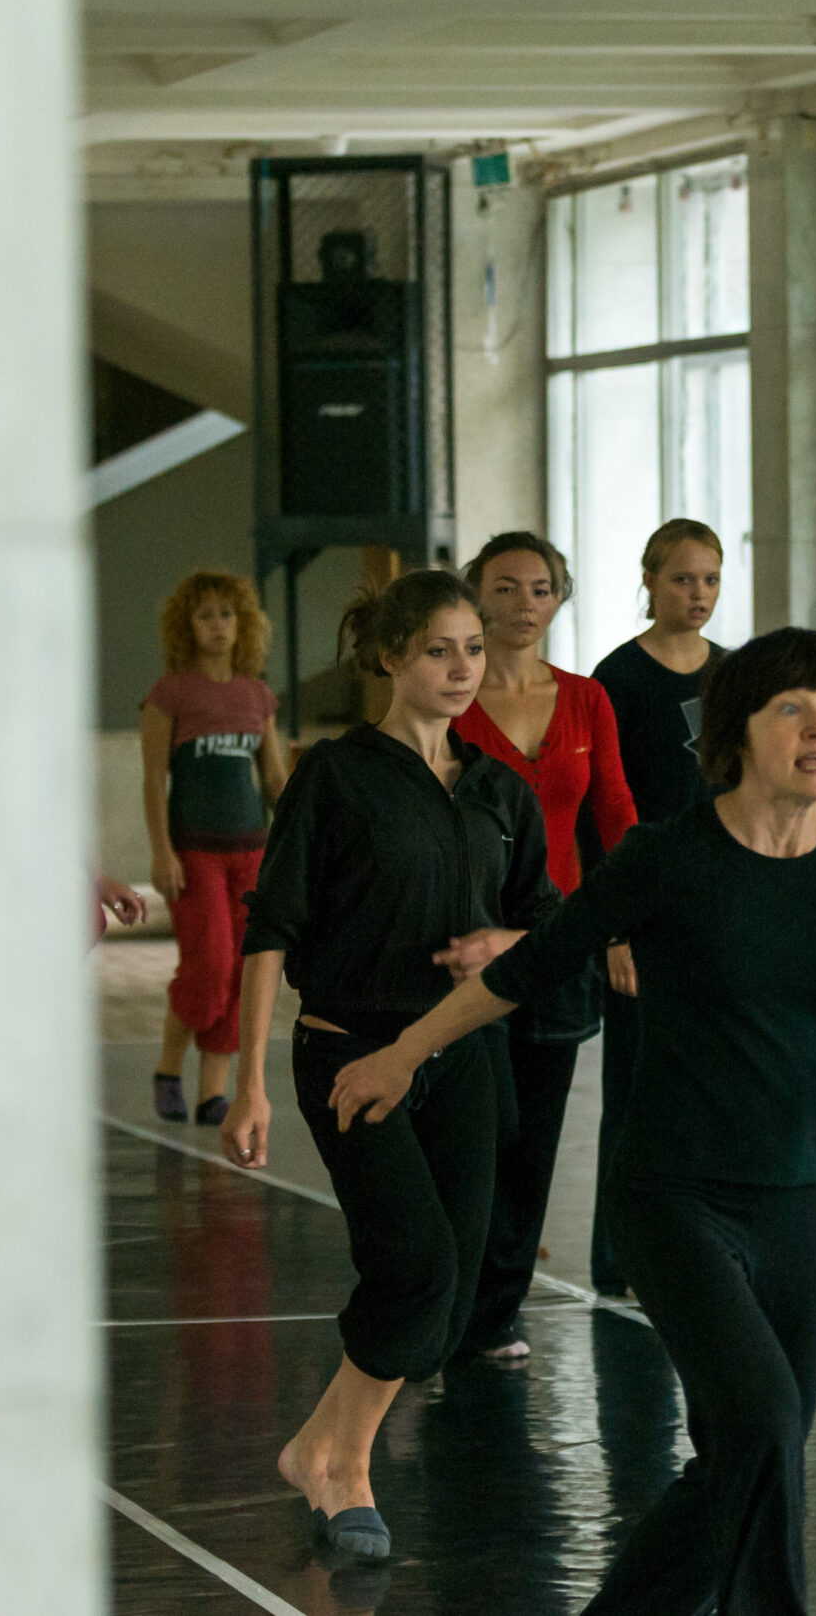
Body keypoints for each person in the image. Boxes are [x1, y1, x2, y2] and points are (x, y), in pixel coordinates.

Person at [325, 627, 816, 1614]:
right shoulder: (666, 855)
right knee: (764, 1415)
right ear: (738, 734)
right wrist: (401, 1049)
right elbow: (527, 967)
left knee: (738, 1455)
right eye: (793, 708)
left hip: (784, 1200)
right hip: (669, 1195)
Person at [216, 570, 558, 1562]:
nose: (463, 669)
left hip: (465, 1050)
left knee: (449, 1304)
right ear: (390, 659)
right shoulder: (336, 774)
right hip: (351, 1049)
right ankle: (344, 1462)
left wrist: (502, 942)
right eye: (440, 650)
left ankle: (323, 1444)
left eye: (473, 650)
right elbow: (271, 926)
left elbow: (543, 924)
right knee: (414, 1264)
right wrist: (247, 1082)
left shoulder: (500, 789)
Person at [452, 531, 639, 1362]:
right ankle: (447, 1298)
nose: (522, 605)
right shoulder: (451, 695)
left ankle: (496, 1311)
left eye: (539, 590)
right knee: (469, 1130)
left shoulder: (586, 699)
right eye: (504, 588)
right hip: (461, 945)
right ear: (475, 596)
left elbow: (616, 819)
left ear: (559, 601)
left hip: (560, 946)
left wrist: (623, 927)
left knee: (533, 1137)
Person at [587, 517, 729, 1299]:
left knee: (716, 1087)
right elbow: (603, 814)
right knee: (639, 1091)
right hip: (647, 913)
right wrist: (614, 929)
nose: (698, 593)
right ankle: (622, 1257)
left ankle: (710, 1246)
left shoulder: (736, 675)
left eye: (709, 578)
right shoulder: (617, 680)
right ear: (648, 581)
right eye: (682, 579)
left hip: (721, 909)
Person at [141, 570, 287, 1125]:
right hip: (194, 853)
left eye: (227, 614)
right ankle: (167, 1069)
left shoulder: (257, 695)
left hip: (250, 853)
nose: (218, 625)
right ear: (188, 625)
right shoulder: (170, 693)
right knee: (210, 968)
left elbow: (273, 779)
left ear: (243, 623)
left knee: (244, 971)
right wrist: (162, 853)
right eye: (206, 615)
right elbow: (154, 777)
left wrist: (302, 843)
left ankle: (212, 1094)